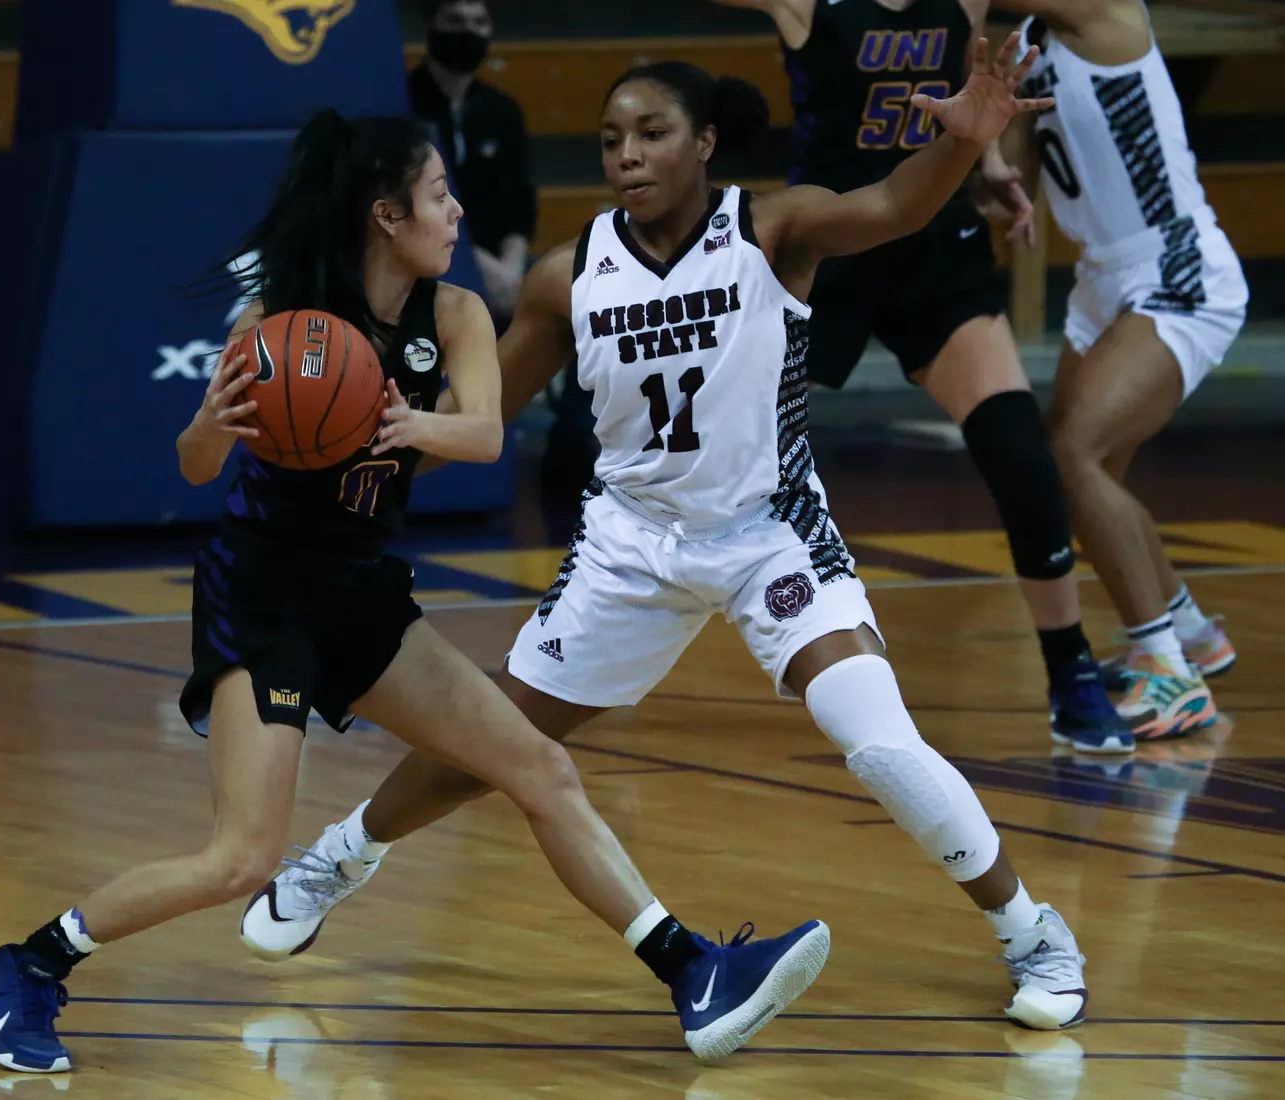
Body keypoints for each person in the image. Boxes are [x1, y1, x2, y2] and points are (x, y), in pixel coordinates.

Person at [0, 110, 832, 1073]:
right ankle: (25, 965)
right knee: (241, 859)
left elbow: (485, 434)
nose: (454, 213)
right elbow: (196, 466)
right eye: (438, 196)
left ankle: (692, 972)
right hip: (264, 601)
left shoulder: (452, 313)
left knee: (541, 769)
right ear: (386, 214)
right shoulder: (278, 325)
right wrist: (210, 423)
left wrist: (408, 425)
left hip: (363, 596)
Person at [242, 43, 1092, 1033]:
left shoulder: (772, 228)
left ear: (705, 143)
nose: (627, 156)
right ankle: (339, 857)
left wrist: (961, 143)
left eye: (651, 133)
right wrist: (344, 461)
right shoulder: (567, 278)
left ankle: (1031, 931)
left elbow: (895, 205)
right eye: (611, 140)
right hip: (630, 546)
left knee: (876, 740)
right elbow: (475, 421)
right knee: (495, 739)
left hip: (769, 531)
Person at [713, 0, 1131, 756]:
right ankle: (613, 617)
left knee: (1019, 452)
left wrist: (989, 162)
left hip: (934, 241)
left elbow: (970, 87)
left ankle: (1070, 670)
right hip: (829, 245)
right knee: (725, 457)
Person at [988, 0, 1243, 741]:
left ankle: (1168, 672)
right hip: (1102, 276)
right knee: (1071, 469)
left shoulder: (1106, 10)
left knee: (1074, 454)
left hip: (1174, 265)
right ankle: (1190, 633)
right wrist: (993, 160)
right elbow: (1016, 166)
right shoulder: (1029, 40)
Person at [409, 0, 536, 322]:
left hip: (501, 276)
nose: (468, 32)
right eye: (455, 20)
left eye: (479, 22)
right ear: (430, 27)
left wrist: (510, 271)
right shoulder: (403, 107)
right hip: (424, 269)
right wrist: (479, 265)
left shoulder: (503, 111)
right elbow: (409, 203)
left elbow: (521, 204)